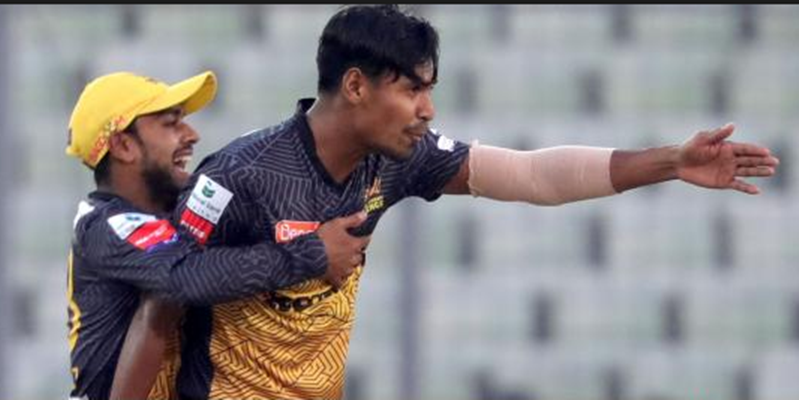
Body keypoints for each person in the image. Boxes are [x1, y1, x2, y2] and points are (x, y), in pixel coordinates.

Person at [147, 5, 777, 399]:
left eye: (430, 90)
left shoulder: (398, 157)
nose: (428, 110)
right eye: (412, 89)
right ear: (356, 86)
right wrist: (305, 257)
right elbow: (163, 291)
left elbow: (532, 176)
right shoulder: (239, 175)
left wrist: (670, 162)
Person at [64, 71, 366, 400]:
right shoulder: (107, 224)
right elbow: (186, 275)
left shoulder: (170, 213)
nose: (191, 135)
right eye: (171, 124)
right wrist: (312, 252)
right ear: (123, 146)